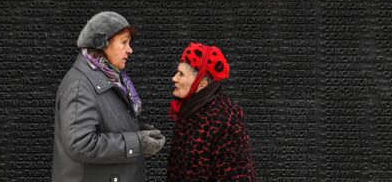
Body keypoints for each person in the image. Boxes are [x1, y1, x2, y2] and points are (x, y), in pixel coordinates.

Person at [51, 11, 165, 182]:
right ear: (102, 44)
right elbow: (80, 144)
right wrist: (137, 143)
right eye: (124, 42)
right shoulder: (80, 85)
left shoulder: (108, 78)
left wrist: (138, 130)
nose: (130, 50)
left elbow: (107, 123)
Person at [166, 42, 257, 182]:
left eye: (181, 74)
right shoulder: (188, 110)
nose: (174, 78)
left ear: (202, 84)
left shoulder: (227, 117)